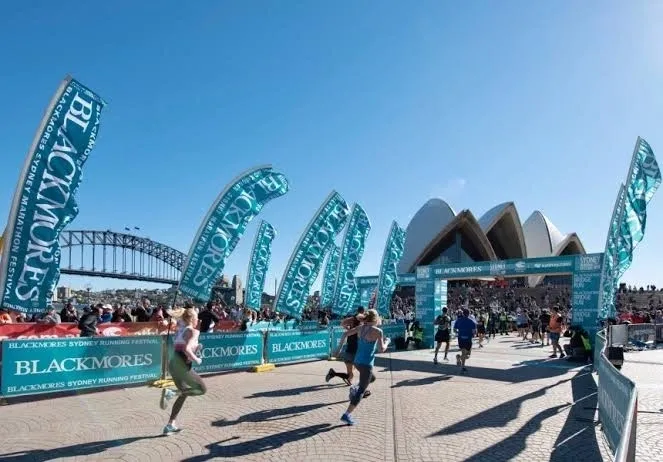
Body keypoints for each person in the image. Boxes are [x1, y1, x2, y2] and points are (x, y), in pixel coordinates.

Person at [335, 309, 390, 425]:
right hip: (366, 364)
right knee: (362, 390)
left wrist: (339, 347)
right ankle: (347, 414)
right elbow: (381, 349)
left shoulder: (360, 328)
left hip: (357, 362)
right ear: (375, 319)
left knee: (372, 378)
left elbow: (345, 333)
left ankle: (355, 387)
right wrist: (387, 342)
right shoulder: (378, 331)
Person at [160, 307, 207, 435]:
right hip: (182, 367)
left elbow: (184, 347)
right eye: (197, 317)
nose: (198, 320)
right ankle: (172, 392)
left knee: (184, 393)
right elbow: (186, 349)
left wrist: (197, 347)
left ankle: (170, 425)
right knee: (201, 389)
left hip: (173, 365)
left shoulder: (180, 330)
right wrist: (197, 359)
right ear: (192, 319)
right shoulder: (193, 331)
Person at [328, 308, 375, 398]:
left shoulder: (353, 320)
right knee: (365, 375)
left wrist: (347, 328)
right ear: (363, 312)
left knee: (350, 374)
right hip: (357, 352)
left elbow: (342, 324)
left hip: (349, 350)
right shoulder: (361, 324)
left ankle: (333, 374)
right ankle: (359, 390)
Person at [454, 309, 477, 373]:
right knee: (467, 354)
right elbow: (474, 332)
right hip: (468, 339)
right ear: (469, 314)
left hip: (461, 338)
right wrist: (473, 334)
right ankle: (463, 367)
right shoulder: (472, 322)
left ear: (463, 314)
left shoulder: (458, 320)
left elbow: (454, 330)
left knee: (465, 354)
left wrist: (459, 332)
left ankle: (459, 358)